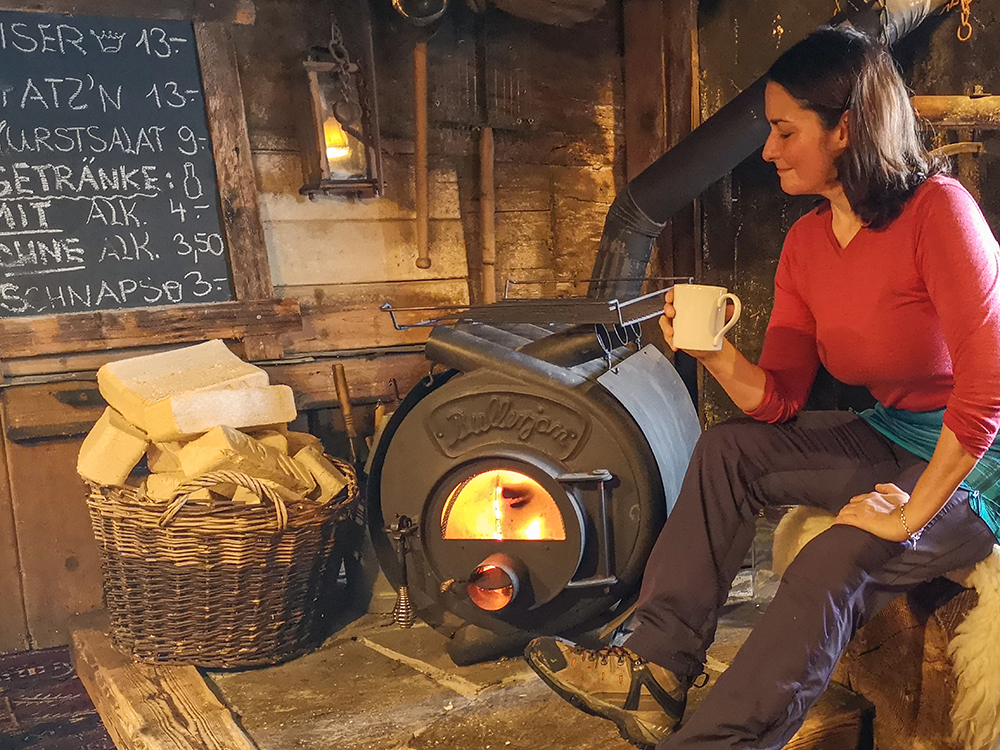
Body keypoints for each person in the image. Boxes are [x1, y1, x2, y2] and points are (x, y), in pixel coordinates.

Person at [524, 24, 1000, 750]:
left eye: (784, 130)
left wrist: (907, 517)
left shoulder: (940, 214)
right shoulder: (809, 242)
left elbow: (987, 391)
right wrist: (712, 351)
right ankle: (655, 671)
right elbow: (777, 398)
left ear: (845, 129)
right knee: (726, 452)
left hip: (979, 462)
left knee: (835, 555)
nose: (769, 149)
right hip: (891, 433)